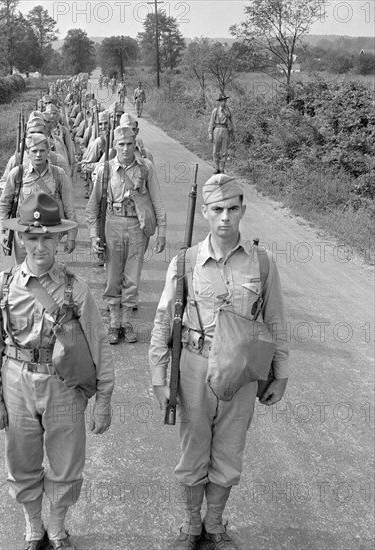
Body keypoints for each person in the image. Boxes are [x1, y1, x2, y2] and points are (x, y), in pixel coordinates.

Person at [149, 174, 289, 549]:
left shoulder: (262, 261)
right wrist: (159, 378)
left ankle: (214, 526)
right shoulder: (186, 261)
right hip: (194, 366)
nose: (225, 218)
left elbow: (275, 320)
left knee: (228, 453)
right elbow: (164, 320)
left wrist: (281, 373)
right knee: (193, 452)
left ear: (242, 210)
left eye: (232, 209)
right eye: (217, 210)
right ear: (206, 214)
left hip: (241, 373)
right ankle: (191, 526)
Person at [0, 191, 114, 550]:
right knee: (22, 461)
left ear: (59, 239)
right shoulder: (1, 287)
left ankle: (57, 526)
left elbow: (99, 346)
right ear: (21, 239)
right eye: (32, 238)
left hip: (63, 385)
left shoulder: (76, 290)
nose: (40, 247)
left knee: (66, 464)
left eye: (47, 238)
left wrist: (104, 399)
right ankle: (33, 526)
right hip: (17, 381)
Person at [85, 125, 167, 344]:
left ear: (135, 144)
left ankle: (127, 322)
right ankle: (113, 322)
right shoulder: (105, 170)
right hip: (112, 224)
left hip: (137, 228)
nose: (125, 149)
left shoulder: (146, 168)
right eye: (121, 144)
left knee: (132, 276)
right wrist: (94, 236)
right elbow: (93, 207)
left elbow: (157, 200)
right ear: (114, 146)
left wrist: (162, 232)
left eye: (130, 144)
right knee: (113, 275)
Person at [0, 133, 78, 263]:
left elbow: (69, 206)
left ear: (48, 151)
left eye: (42, 150)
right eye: (34, 151)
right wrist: (2, 231)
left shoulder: (59, 174)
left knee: (45, 272)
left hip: (49, 234)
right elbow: (4, 204)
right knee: (22, 273)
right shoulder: (17, 174)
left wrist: (71, 236)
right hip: (24, 233)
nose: (38, 154)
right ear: (28, 153)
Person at [208, 93, 234, 175]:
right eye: (222, 101)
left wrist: (233, 131)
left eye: (225, 101)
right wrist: (210, 134)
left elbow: (233, 122)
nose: (223, 102)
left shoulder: (229, 110)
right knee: (216, 149)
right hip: (217, 129)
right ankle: (216, 168)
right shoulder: (215, 111)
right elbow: (211, 123)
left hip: (225, 130)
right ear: (219, 102)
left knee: (224, 150)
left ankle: (222, 168)